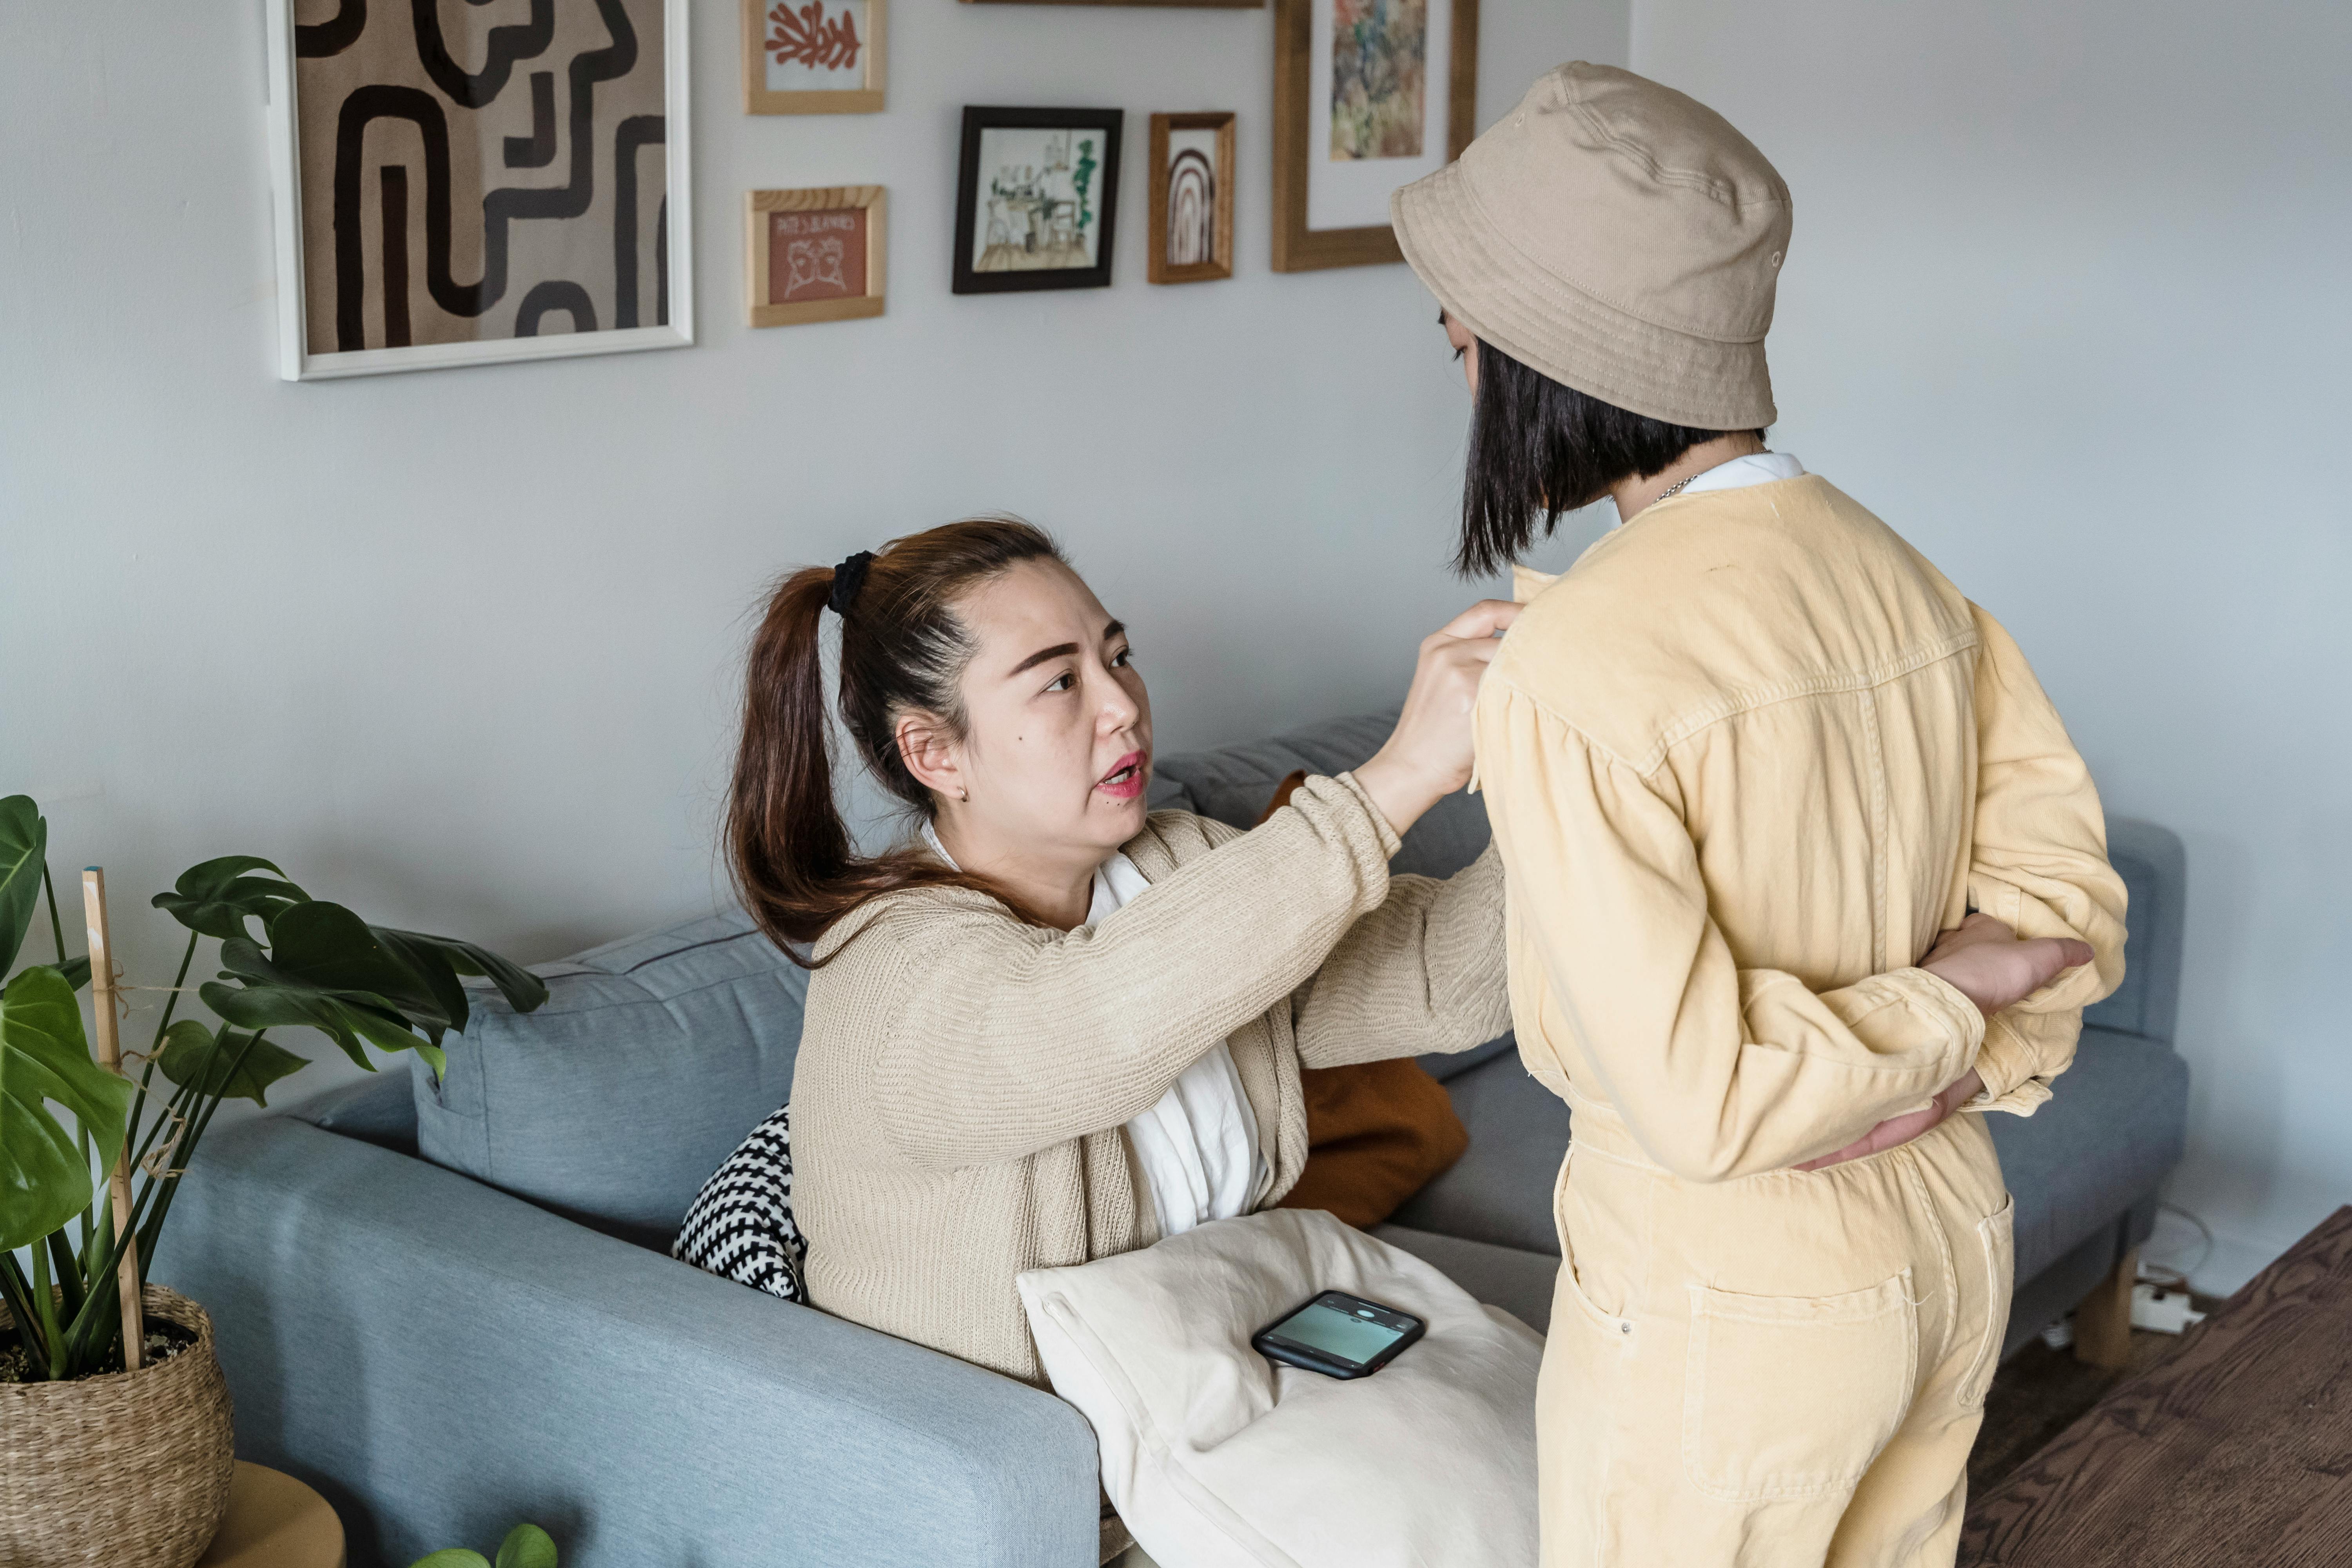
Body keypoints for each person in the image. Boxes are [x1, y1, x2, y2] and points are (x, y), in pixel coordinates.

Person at [1390, 64, 2128, 1567]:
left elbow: (1706, 1103)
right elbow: (2065, 913)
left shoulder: (1578, 666)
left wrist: (1934, 1008)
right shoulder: (1907, 579)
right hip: (1948, 1235)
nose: (1457, 350)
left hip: (1729, 1307)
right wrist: (1954, 1038)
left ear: (1549, 356)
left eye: (1466, 326)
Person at [724, 516, 1520, 1560]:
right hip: (1057, 1520)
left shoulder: (1179, 864)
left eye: (1118, 656)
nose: (1124, 708)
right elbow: (1092, 1026)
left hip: (1246, 1423)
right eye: (1058, 683)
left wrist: (1593, 788)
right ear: (934, 753)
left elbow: (1434, 983)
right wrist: (1397, 779)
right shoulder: (889, 971)